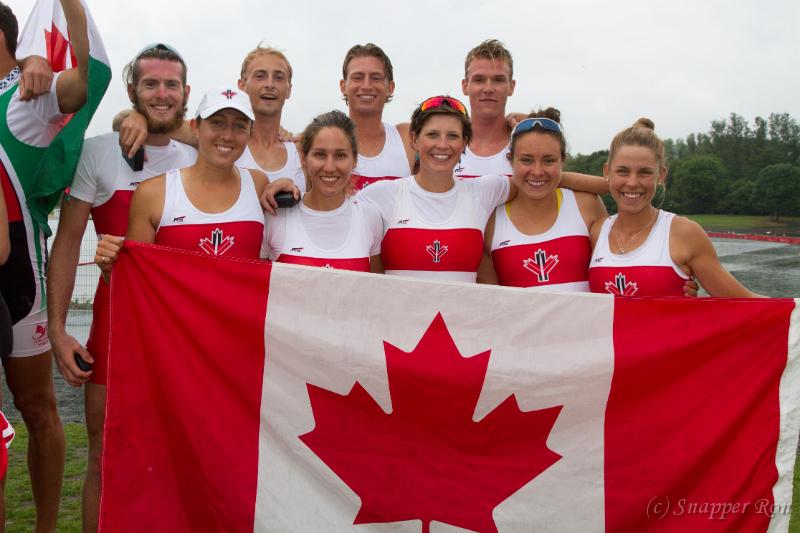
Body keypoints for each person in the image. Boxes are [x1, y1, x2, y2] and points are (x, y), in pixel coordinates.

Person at [47, 42, 196, 532]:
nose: (161, 93)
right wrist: (58, 329)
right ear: (133, 91)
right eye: (150, 84)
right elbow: (68, 241)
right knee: (104, 457)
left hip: (183, 336)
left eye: (171, 84)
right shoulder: (99, 152)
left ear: (186, 92)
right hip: (116, 328)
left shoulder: (200, 153)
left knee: (181, 458)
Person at [0, 1, 89, 530]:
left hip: (20, 276)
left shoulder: (26, 94)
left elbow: (84, 84)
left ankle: (47, 527)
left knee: (36, 407)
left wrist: (42, 54)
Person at [96, 86, 267, 269]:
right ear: (195, 127)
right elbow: (135, 275)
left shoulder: (259, 185)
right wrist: (109, 266)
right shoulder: (153, 193)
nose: (227, 136)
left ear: (250, 133)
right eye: (217, 123)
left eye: (240, 126)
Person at [589, 119, 758, 298]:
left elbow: (746, 302)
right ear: (606, 171)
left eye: (644, 172)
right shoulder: (597, 232)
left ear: (661, 175)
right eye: (622, 171)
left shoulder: (684, 233)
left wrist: (691, 307)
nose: (632, 182)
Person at [357, 95, 511, 282]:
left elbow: (534, 179)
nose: (442, 145)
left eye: (452, 136)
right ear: (414, 139)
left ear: (464, 143)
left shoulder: (483, 192)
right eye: (432, 135)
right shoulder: (380, 194)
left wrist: (525, 122)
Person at [480, 109, 607, 290]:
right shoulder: (490, 222)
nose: (538, 171)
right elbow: (491, 300)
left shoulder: (587, 205)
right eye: (527, 160)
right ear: (510, 160)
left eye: (548, 161)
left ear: (562, 160)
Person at [264, 110, 382, 271]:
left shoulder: (369, 217)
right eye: (320, 155)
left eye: (340, 155)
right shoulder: (276, 215)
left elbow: (376, 283)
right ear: (304, 158)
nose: (329, 167)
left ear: (354, 160)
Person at [340, 43, 414, 190]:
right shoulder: (320, 140)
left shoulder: (407, 137)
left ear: (390, 87)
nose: (366, 86)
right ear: (343, 86)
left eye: (376, 78)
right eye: (358, 77)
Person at [236, 45, 305, 191]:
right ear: (242, 86)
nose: (270, 84)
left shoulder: (302, 154)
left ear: (289, 89)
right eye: (260, 76)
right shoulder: (224, 145)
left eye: (279, 78)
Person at [456, 39, 516, 179]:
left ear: (511, 87)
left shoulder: (528, 147)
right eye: (479, 80)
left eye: (498, 80)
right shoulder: (444, 148)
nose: (488, 89)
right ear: (465, 86)